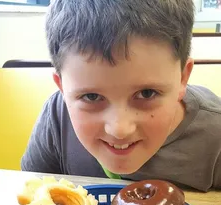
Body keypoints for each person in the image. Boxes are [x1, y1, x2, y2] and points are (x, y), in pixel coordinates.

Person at [21, 0, 221, 192]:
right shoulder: (56, 118)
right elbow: (33, 197)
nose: (119, 130)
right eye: (91, 97)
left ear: (182, 78)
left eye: (146, 93)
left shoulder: (215, 135)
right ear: (62, 87)